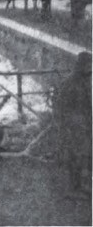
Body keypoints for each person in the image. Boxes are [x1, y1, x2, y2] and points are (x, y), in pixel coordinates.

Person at [52, 51, 92, 195]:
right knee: (74, 156)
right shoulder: (70, 83)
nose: (90, 68)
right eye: (88, 65)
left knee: (85, 156)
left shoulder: (84, 81)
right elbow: (61, 107)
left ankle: (82, 185)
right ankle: (73, 188)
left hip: (84, 125)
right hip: (73, 127)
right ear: (81, 65)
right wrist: (66, 126)